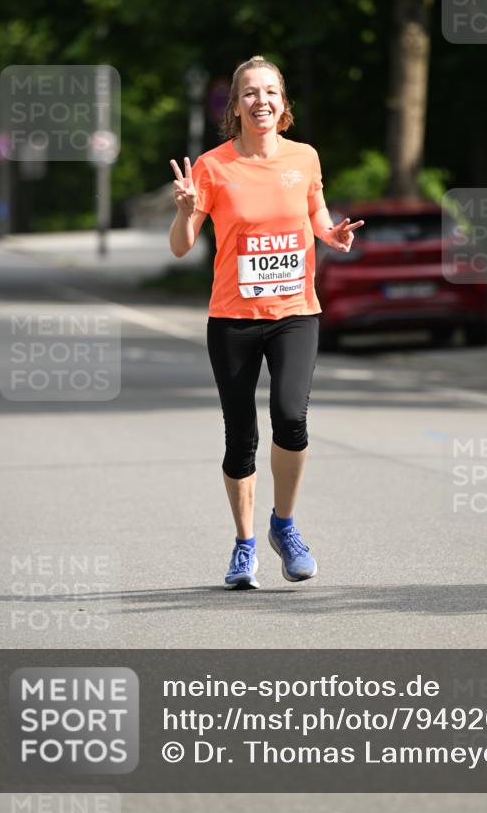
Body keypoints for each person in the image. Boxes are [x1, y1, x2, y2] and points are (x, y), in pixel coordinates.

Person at [169, 55, 363, 589]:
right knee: (240, 438)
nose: (261, 102)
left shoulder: (305, 157)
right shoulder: (212, 167)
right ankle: (244, 545)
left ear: (284, 104)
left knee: (291, 417)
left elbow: (316, 214)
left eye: (271, 92)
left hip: (295, 313)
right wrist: (186, 209)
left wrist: (333, 236)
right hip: (232, 317)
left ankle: (284, 526)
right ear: (235, 106)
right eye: (250, 93)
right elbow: (182, 247)